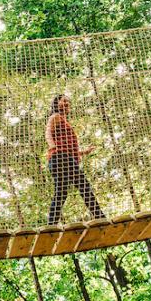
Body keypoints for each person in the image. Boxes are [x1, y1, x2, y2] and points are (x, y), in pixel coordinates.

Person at [45, 94, 106, 226]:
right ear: (56, 103)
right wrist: (52, 146)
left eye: (68, 101)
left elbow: (69, 148)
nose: (67, 103)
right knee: (83, 185)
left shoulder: (64, 121)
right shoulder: (55, 117)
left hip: (62, 158)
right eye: (64, 101)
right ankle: (100, 216)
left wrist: (84, 152)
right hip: (60, 157)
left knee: (61, 192)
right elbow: (48, 133)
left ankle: (51, 224)